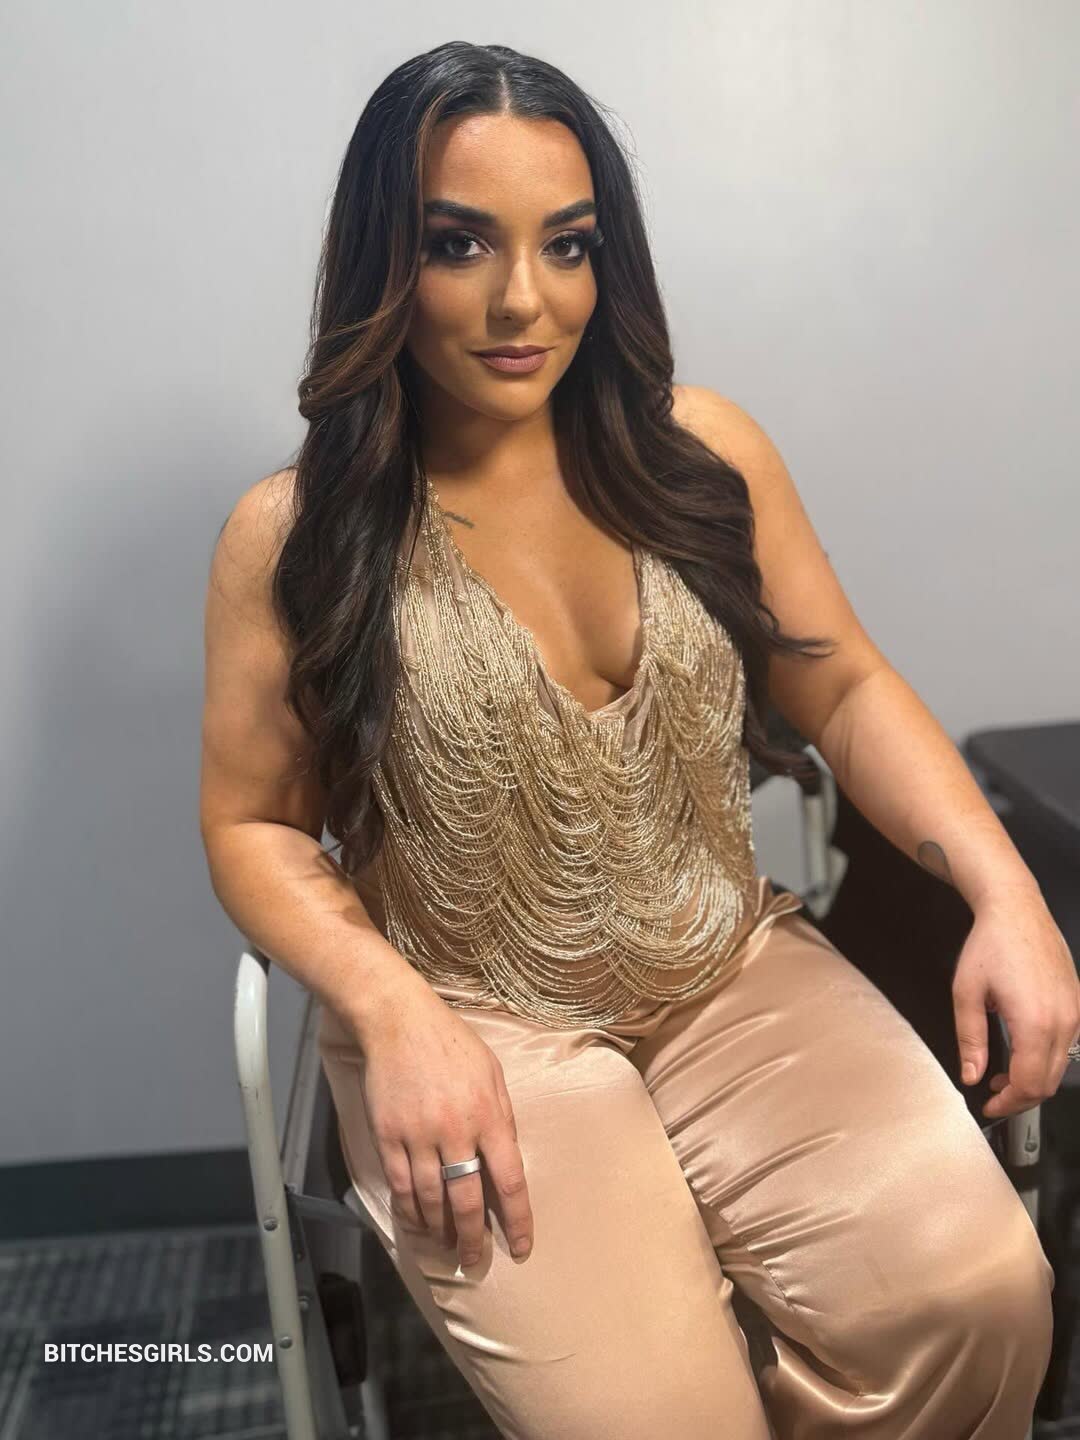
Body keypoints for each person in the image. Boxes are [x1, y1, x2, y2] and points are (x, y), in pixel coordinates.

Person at [200, 41, 1080, 1440]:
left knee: (981, 1299)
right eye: (458, 243)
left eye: (567, 244)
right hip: (471, 1019)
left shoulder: (699, 455)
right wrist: (390, 1013)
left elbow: (843, 687)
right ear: (383, 261)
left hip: (728, 966)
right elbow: (253, 826)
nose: (523, 299)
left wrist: (1007, 892)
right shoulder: (298, 534)